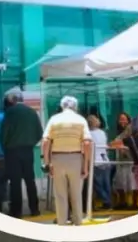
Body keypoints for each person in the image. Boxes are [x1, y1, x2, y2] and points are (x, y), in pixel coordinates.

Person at [42, 95, 92, 226]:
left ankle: (62, 224)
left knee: (60, 195)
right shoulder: (81, 120)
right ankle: (77, 224)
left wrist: (47, 163)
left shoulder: (54, 119)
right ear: (75, 107)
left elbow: (46, 141)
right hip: (76, 158)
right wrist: (85, 165)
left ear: (61, 106)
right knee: (76, 195)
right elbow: (87, 143)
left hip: (57, 158)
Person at [0, 89, 42, 218]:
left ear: (12, 100)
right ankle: (34, 209)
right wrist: (31, 143)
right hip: (28, 150)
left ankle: (17, 211)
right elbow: (39, 133)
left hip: (12, 151)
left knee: (15, 181)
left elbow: (3, 133)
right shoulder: (32, 112)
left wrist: (5, 146)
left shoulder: (10, 112)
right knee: (30, 180)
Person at [111, 111, 138, 209]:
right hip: (121, 161)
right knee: (119, 183)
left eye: (124, 119)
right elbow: (113, 143)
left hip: (131, 161)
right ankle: (123, 202)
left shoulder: (131, 131)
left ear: (128, 120)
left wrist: (120, 145)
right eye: (120, 119)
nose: (122, 121)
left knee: (133, 183)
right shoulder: (120, 133)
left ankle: (135, 203)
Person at [88, 112, 113, 210]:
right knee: (106, 183)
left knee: (97, 184)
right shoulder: (102, 132)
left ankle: (106, 201)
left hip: (95, 161)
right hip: (105, 159)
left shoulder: (89, 134)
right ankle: (108, 202)